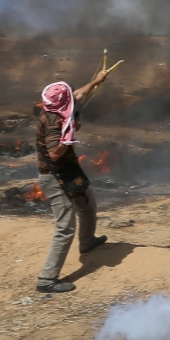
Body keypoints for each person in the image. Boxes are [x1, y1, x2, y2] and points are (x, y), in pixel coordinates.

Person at [36, 71, 110, 294]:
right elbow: (55, 153)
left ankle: (87, 242)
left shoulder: (57, 106)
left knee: (88, 203)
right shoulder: (52, 121)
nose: (73, 97)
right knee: (65, 227)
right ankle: (46, 279)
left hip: (68, 171)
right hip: (54, 176)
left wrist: (96, 81)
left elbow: (76, 95)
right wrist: (68, 139)